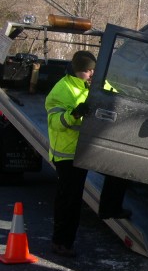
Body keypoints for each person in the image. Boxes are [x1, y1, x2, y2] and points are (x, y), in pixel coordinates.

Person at [45, 51, 129, 257]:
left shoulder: (98, 82)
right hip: (68, 154)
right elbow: (55, 122)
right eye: (87, 71)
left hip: (91, 147)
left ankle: (110, 207)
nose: (91, 74)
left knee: (121, 167)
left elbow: (116, 97)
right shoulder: (61, 90)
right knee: (70, 200)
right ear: (76, 71)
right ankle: (61, 242)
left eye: (93, 70)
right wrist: (73, 114)